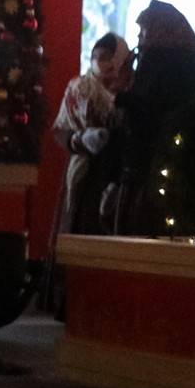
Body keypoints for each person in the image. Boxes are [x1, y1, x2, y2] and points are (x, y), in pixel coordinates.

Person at [112, 0, 195, 236]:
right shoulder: (191, 65)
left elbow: (149, 112)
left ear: (158, 31)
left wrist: (118, 99)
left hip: (147, 174)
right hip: (182, 175)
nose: (138, 37)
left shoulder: (156, 63)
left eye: (142, 31)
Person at [51, 32, 128, 237]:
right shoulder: (79, 87)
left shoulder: (128, 91)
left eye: (105, 57)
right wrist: (79, 140)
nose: (99, 63)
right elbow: (60, 129)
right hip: (82, 174)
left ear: (119, 58)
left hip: (114, 178)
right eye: (95, 57)